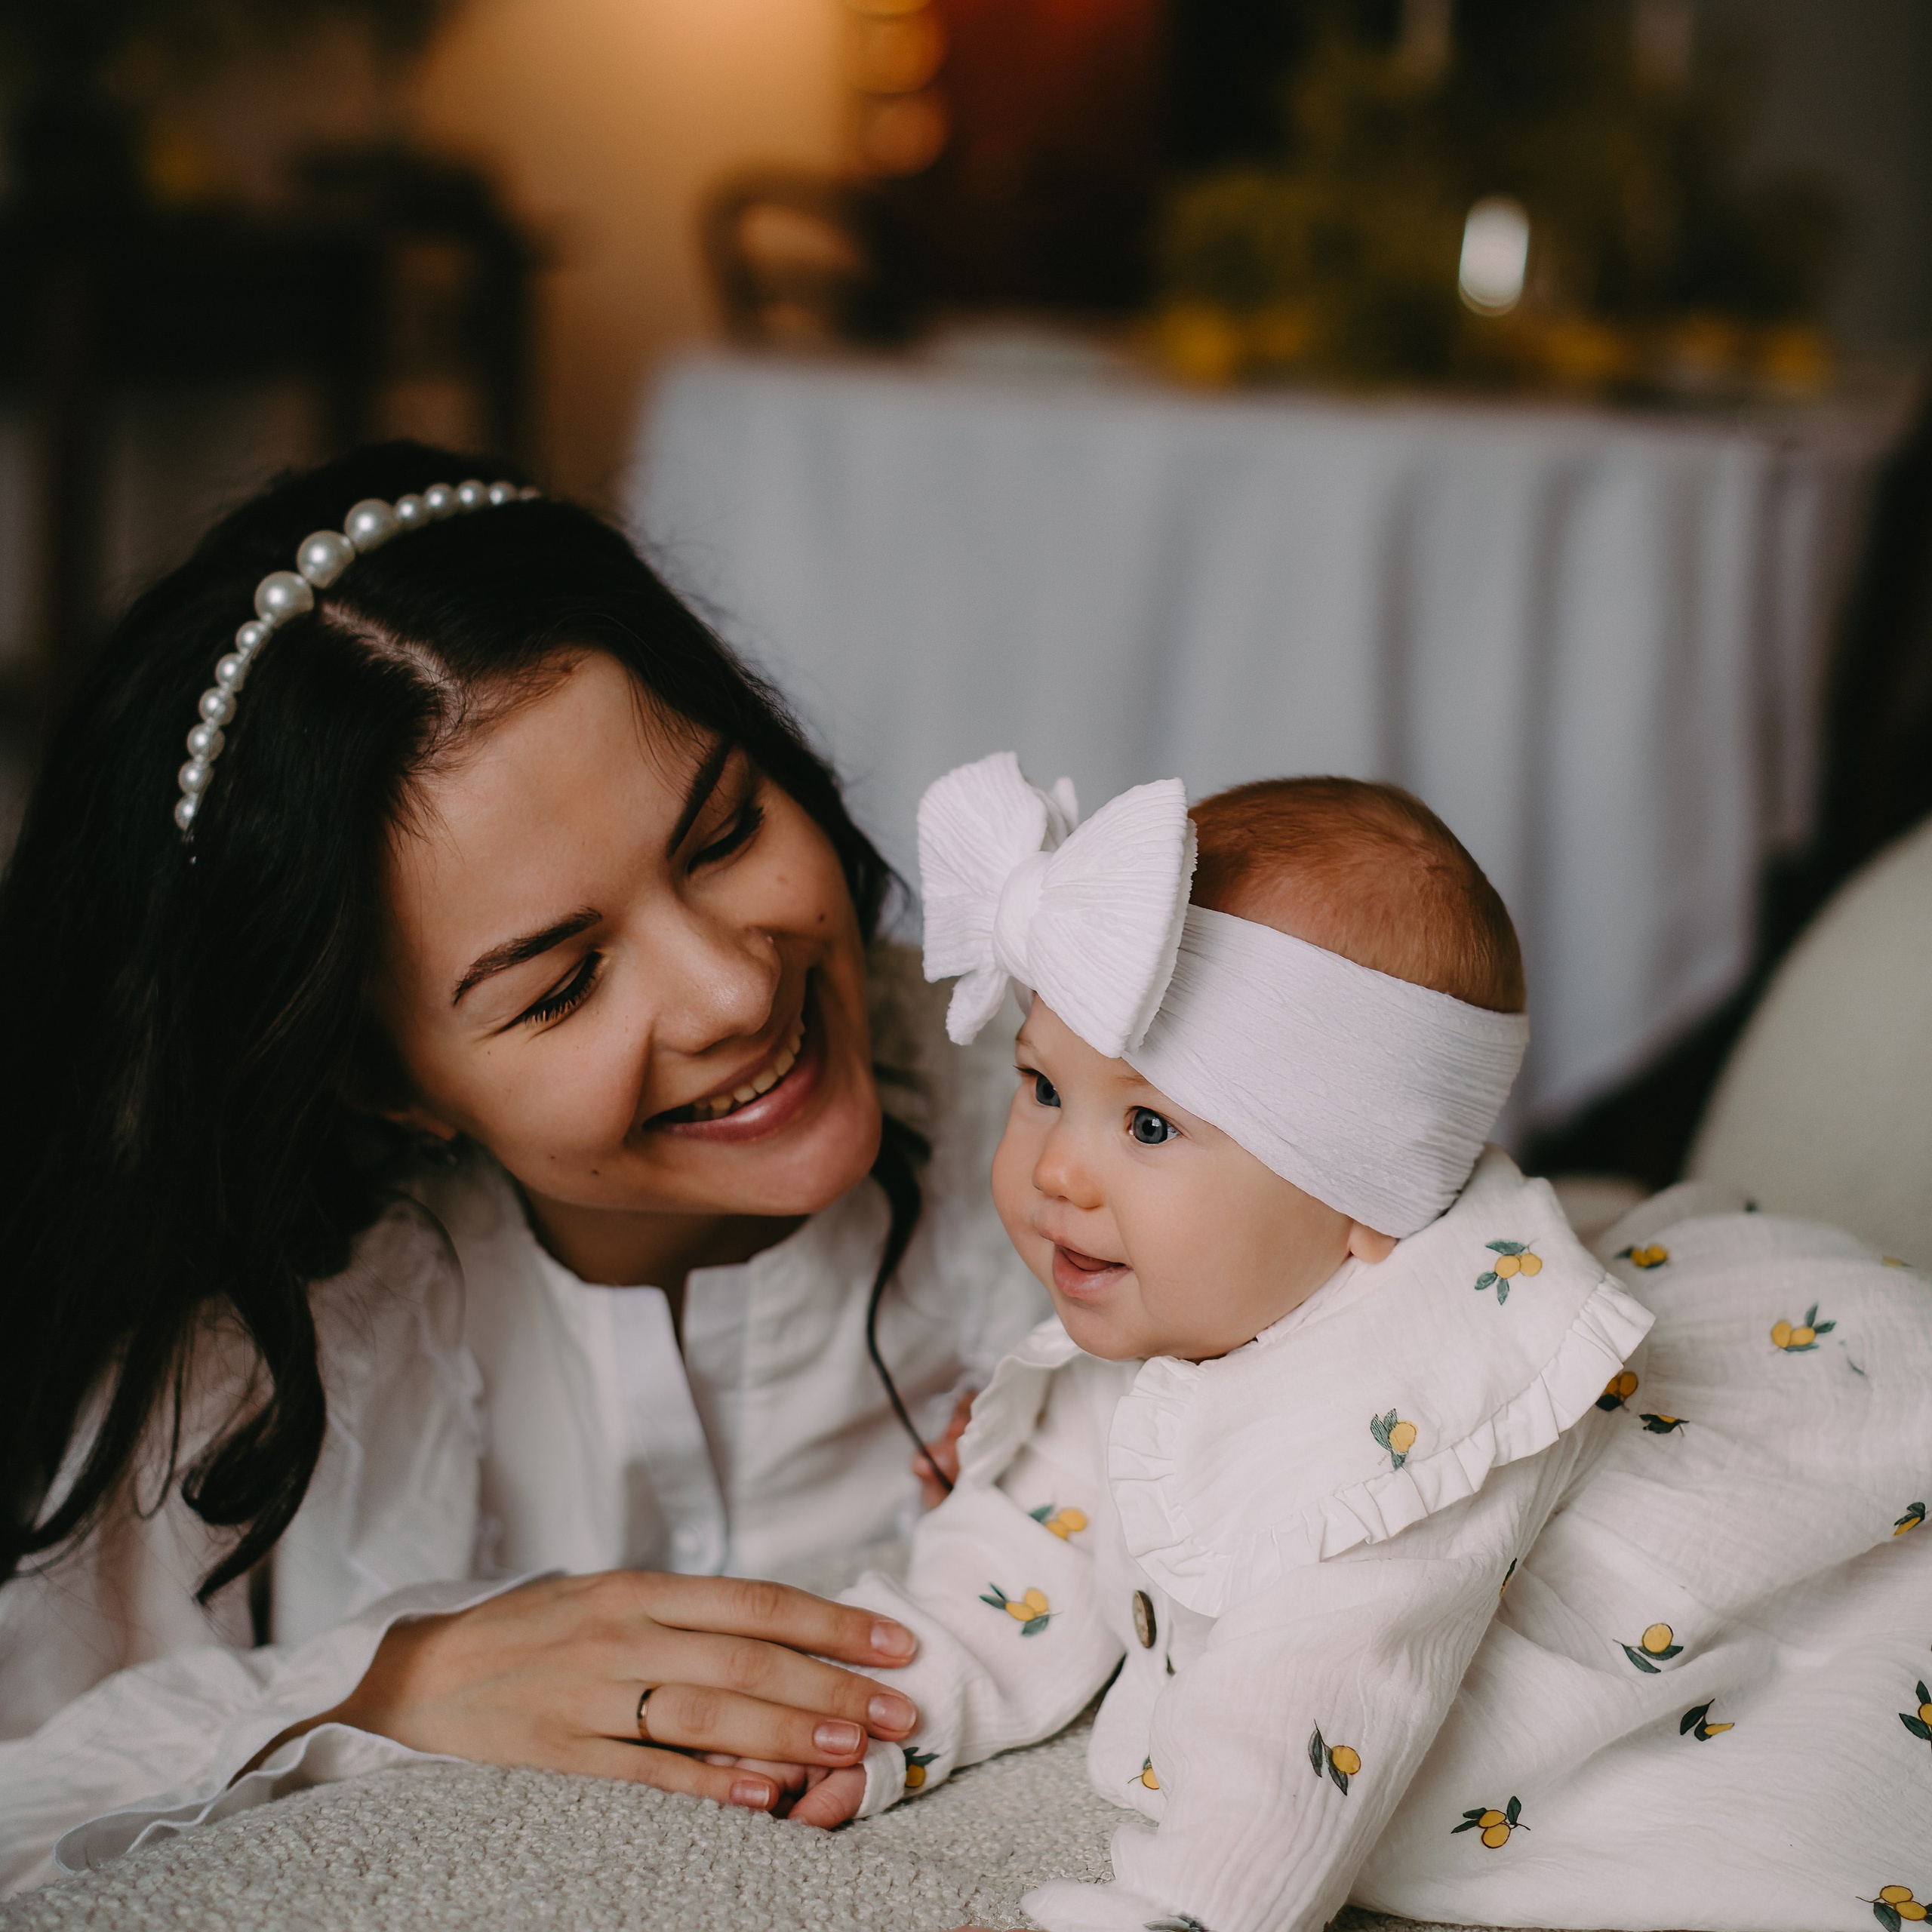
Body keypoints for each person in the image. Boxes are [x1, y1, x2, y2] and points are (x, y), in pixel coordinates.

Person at [0, 451, 1048, 1896]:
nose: (731, 992)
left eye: (729, 831)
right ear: (379, 1077)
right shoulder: (250, 1369)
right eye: (560, 987)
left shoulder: (1095, 1115)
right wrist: (381, 1689)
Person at [795, 752, 1932, 1932]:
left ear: (1361, 1196)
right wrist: (898, 1703)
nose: (1057, 1170)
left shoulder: (1393, 1422)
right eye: (1040, 1086)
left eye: (1145, 1124)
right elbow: (1050, 1521)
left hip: (1676, 1588)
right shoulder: (1175, 1296)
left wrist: (1182, 1908)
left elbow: (1297, 1727)